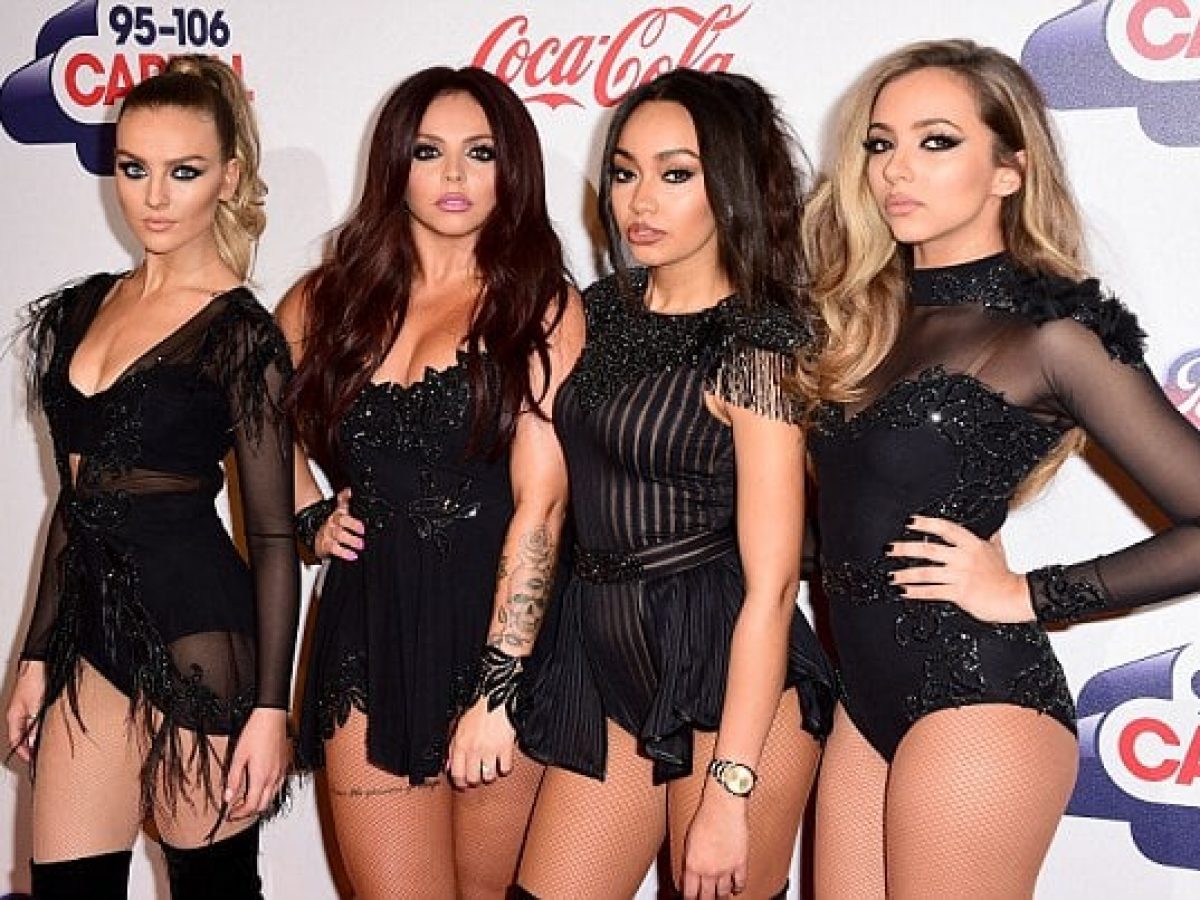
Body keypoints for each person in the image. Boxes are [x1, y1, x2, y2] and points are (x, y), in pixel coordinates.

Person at [800, 39, 1200, 899]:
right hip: (863, 707)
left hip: (980, 695)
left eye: (937, 141)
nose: (897, 168)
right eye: (881, 143)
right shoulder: (861, 325)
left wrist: (1031, 593)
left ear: (1009, 170)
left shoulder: (1052, 334)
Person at [516, 69, 835, 900]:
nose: (641, 200)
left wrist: (731, 790)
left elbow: (771, 589)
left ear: (732, 185)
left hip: (730, 687)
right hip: (606, 666)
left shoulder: (758, 348)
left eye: (676, 173)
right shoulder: (600, 309)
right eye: (625, 172)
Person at [280, 66, 582, 900]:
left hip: (496, 632)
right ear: (395, 164)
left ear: (511, 167)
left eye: (479, 153)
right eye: (428, 152)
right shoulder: (325, 302)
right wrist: (307, 512)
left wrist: (499, 688)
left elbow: (542, 505)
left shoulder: (540, 305)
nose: (453, 175)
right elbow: (256, 423)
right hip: (368, 629)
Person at [5, 55, 297, 899]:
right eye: (135, 169)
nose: (154, 197)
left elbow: (272, 536)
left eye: (184, 171)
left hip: (200, 641)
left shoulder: (241, 334)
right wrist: (35, 654)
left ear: (228, 177)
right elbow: (77, 500)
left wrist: (271, 709)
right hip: (87, 644)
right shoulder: (80, 310)